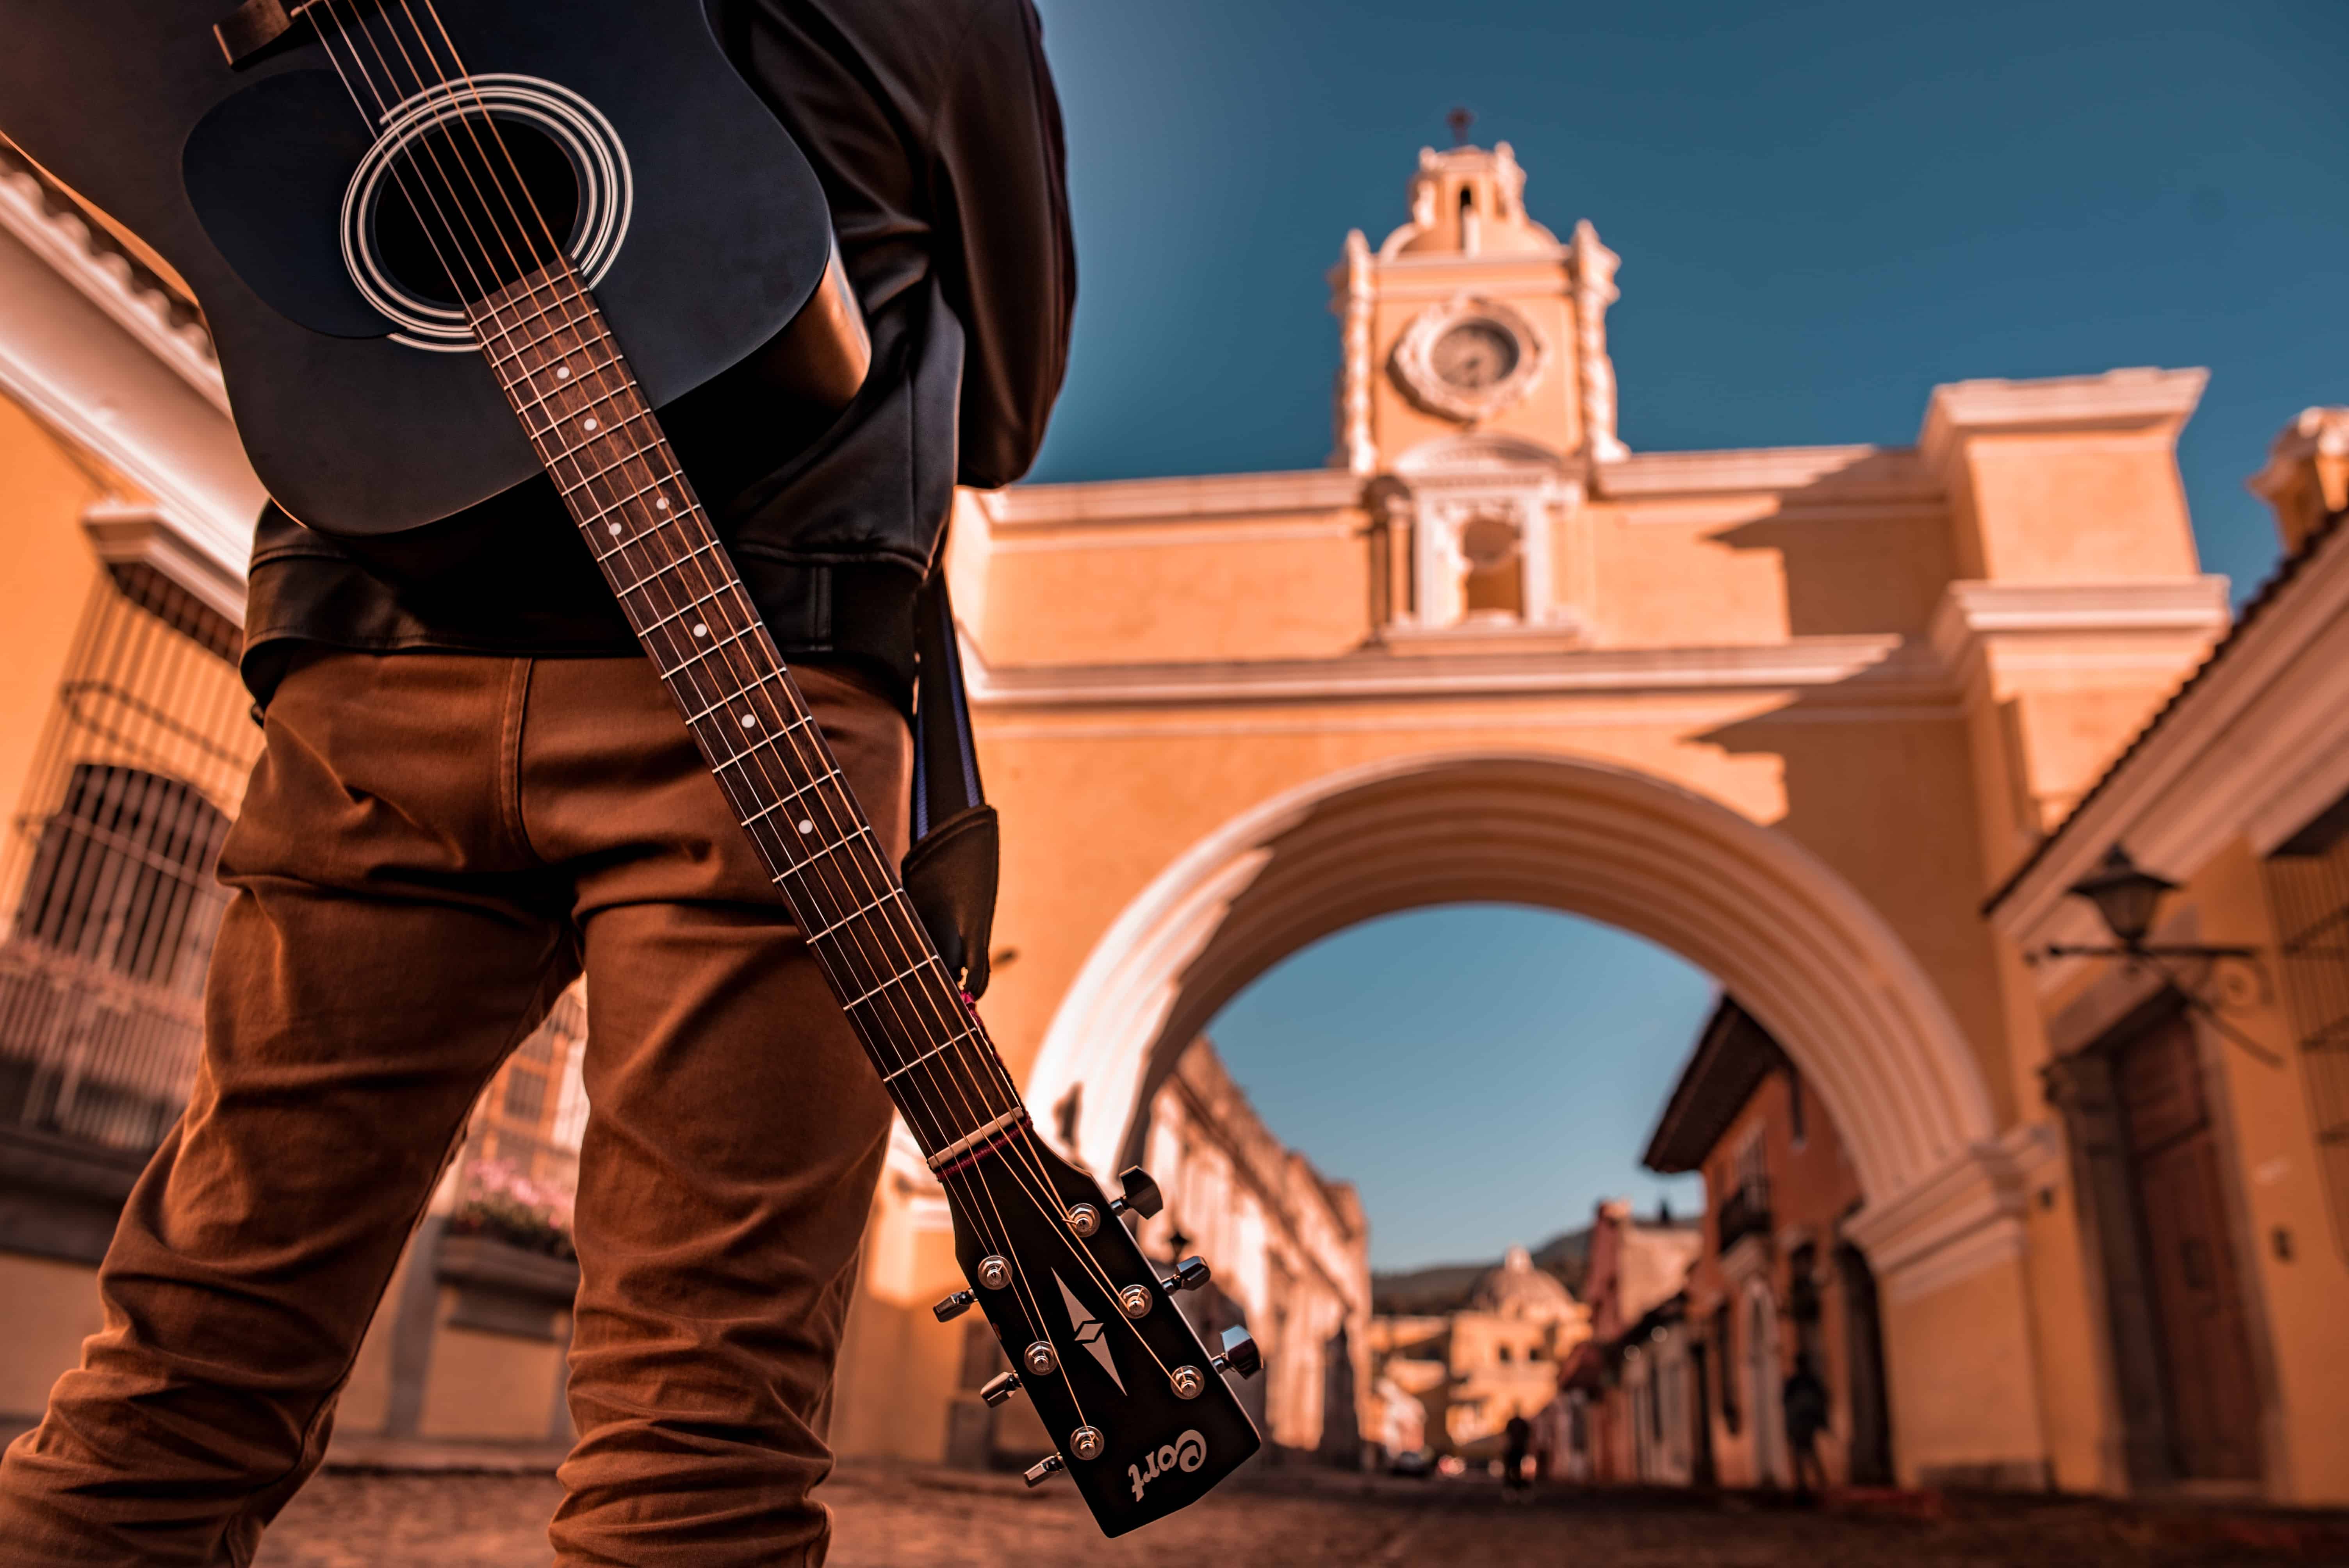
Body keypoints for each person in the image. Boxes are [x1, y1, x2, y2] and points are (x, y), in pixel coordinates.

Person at [0, 2, 1073, 1564]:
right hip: (754, 699)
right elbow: (1005, 407)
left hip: (380, 676)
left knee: (183, 1377)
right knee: (693, 1445)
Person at [1781, 1353, 1830, 1499]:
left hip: (1804, 1423)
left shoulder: (1803, 1382)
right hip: (1802, 1423)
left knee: (1807, 1453)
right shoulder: (1803, 1382)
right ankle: (1805, 1484)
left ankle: (1811, 1484)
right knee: (1805, 1454)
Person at [1502, 1413, 1533, 1497]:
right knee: (1515, 1470)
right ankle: (1516, 1489)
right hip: (1518, 1449)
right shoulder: (1521, 1423)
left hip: (1516, 1449)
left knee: (1513, 1470)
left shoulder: (1513, 1423)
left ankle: (1514, 1489)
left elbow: (1506, 1436)